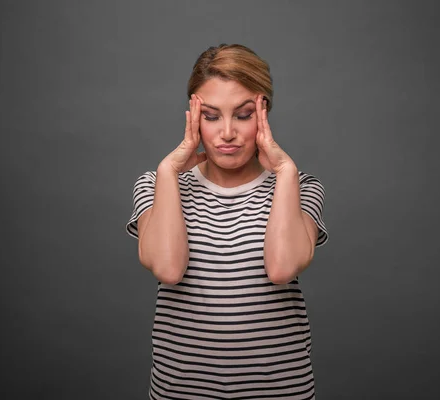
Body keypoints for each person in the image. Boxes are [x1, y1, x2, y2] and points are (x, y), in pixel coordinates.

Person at [126, 44, 328, 400]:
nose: (228, 132)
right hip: (182, 392)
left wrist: (285, 170)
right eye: (212, 116)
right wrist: (167, 171)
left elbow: (281, 268)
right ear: (192, 116)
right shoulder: (157, 186)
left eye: (244, 114)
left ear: (264, 113)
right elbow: (168, 269)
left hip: (280, 392)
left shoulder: (299, 187)